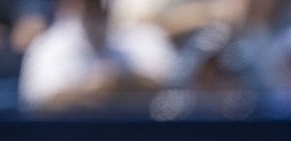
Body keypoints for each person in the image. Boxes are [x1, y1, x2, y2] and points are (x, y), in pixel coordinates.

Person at [18, 0, 176, 110]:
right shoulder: (49, 45)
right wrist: (89, 90)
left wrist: (113, 84)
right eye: (90, 4)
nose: (97, 10)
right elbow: (42, 101)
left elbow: (163, 85)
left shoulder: (140, 37)